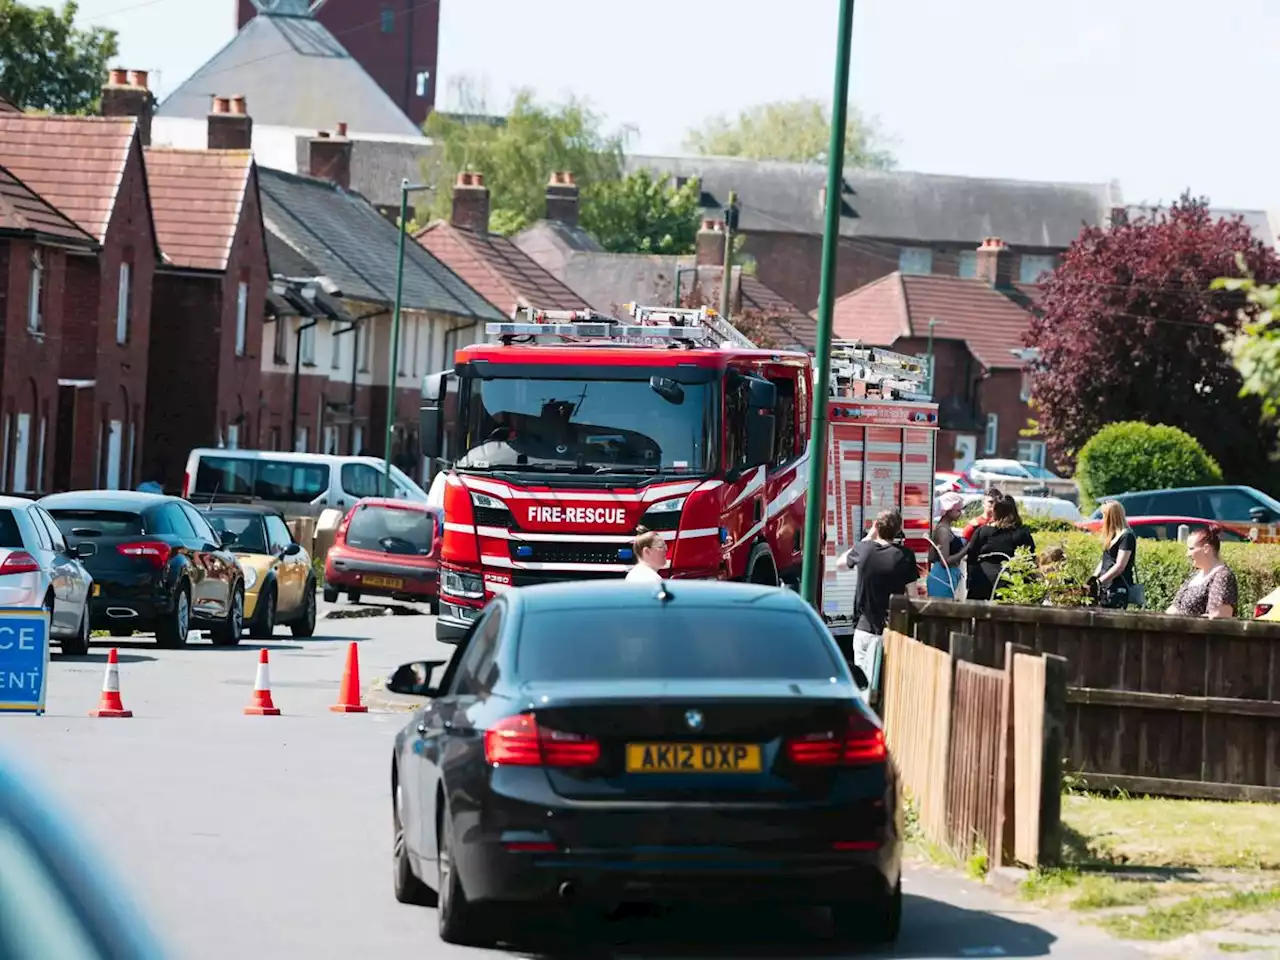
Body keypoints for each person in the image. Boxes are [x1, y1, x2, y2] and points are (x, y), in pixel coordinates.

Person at [838, 509, 919, 686]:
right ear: (898, 530)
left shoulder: (865, 549)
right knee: (889, 682)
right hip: (892, 629)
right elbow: (912, 595)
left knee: (863, 682)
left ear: (876, 526)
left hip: (864, 627)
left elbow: (840, 564)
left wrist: (868, 537)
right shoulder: (905, 556)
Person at [966, 495, 1036, 601]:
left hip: (982, 580)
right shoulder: (1022, 533)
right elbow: (1029, 559)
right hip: (1010, 582)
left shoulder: (982, 532)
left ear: (995, 512)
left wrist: (970, 579)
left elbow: (971, 557)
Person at [1166, 526, 1238, 619]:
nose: (1187, 554)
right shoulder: (1194, 575)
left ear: (1206, 549)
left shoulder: (1222, 576)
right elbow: (1174, 608)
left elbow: (1220, 618)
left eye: (1191, 549)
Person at [1093, 500, 1137, 609]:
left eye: (1104, 515)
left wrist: (1100, 581)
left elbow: (1119, 566)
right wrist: (1093, 579)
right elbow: (1105, 560)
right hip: (1105, 587)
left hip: (1117, 588)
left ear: (1111, 517)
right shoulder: (1112, 536)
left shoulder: (1126, 536)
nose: (1102, 519)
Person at [928, 492, 970, 598]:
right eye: (958, 510)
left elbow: (932, 556)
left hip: (944, 576)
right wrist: (966, 549)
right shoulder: (943, 531)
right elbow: (944, 561)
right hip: (943, 577)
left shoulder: (944, 528)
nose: (960, 513)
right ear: (948, 510)